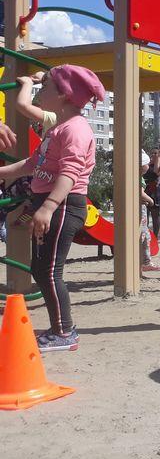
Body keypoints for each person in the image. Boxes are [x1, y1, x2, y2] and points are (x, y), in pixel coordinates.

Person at [0, 67, 103, 351]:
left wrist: (47, 207)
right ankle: (61, 328)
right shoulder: (57, 127)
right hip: (51, 204)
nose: (40, 93)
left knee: (49, 271)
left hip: (64, 205)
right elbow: (32, 164)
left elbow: (70, 173)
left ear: (63, 95)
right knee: (40, 268)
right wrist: (3, 172)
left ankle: (64, 331)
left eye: (45, 88)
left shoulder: (76, 129)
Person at [139, 150, 160, 275]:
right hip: (140, 210)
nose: (148, 166)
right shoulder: (139, 178)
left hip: (139, 209)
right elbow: (139, 192)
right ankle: (146, 262)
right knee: (143, 236)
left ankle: (143, 261)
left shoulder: (134, 176)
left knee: (144, 235)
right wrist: (150, 200)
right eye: (147, 164)